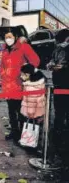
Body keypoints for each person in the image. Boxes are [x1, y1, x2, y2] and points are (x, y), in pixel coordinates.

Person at [0, 30, 40, 143]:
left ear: (15, 37)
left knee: (21, 112)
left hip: (20, 85)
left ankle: (23, 135)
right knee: (11, 111)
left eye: (10, 37)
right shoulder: (4, 50)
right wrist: (3, 74)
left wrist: (24, 73)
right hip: (8, 86)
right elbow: (2, 66)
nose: (8, 39)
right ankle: (14, 132)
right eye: (6, 37)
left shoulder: (24, 47)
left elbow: (35, 61)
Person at [47, 30, 69, 171]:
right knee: (59, 114)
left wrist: (65, 67)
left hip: (65, 85)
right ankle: (59, 137)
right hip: (59, 85)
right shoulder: (58, 49)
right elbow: (52, 62)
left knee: (63, 114)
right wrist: (51, 65)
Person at [20, 64, 46, 154]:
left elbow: (32, 101)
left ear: (28, 74)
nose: (21, 76)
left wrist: (30, 113)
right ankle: (36, 146)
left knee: (32, 129)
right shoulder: (37, 82)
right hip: (38, 111)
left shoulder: (31, 86)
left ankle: (31, 147)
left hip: (32, 112)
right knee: (36, 129)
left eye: (22, 74)